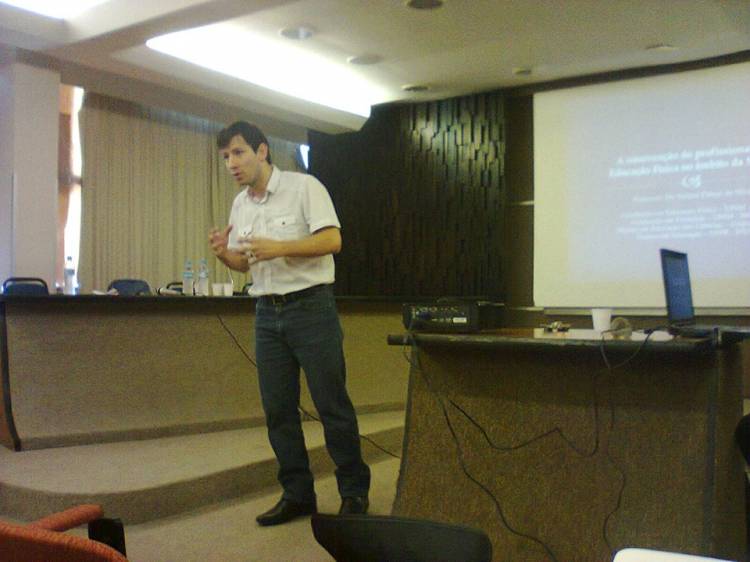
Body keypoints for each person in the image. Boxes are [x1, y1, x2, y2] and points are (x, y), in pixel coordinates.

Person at [209, 121, 370, 526]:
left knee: (331, 404)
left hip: (311, 308)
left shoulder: (304, 187)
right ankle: (298, 494)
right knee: (278, 410)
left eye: (238, 153)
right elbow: (245, 262)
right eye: (225, 157)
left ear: (262, 151)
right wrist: (224, 255)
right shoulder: (241, 204)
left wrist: (280, 247)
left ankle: (353, 492)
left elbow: (332, 241)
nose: (231, 164)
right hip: (266, 312)